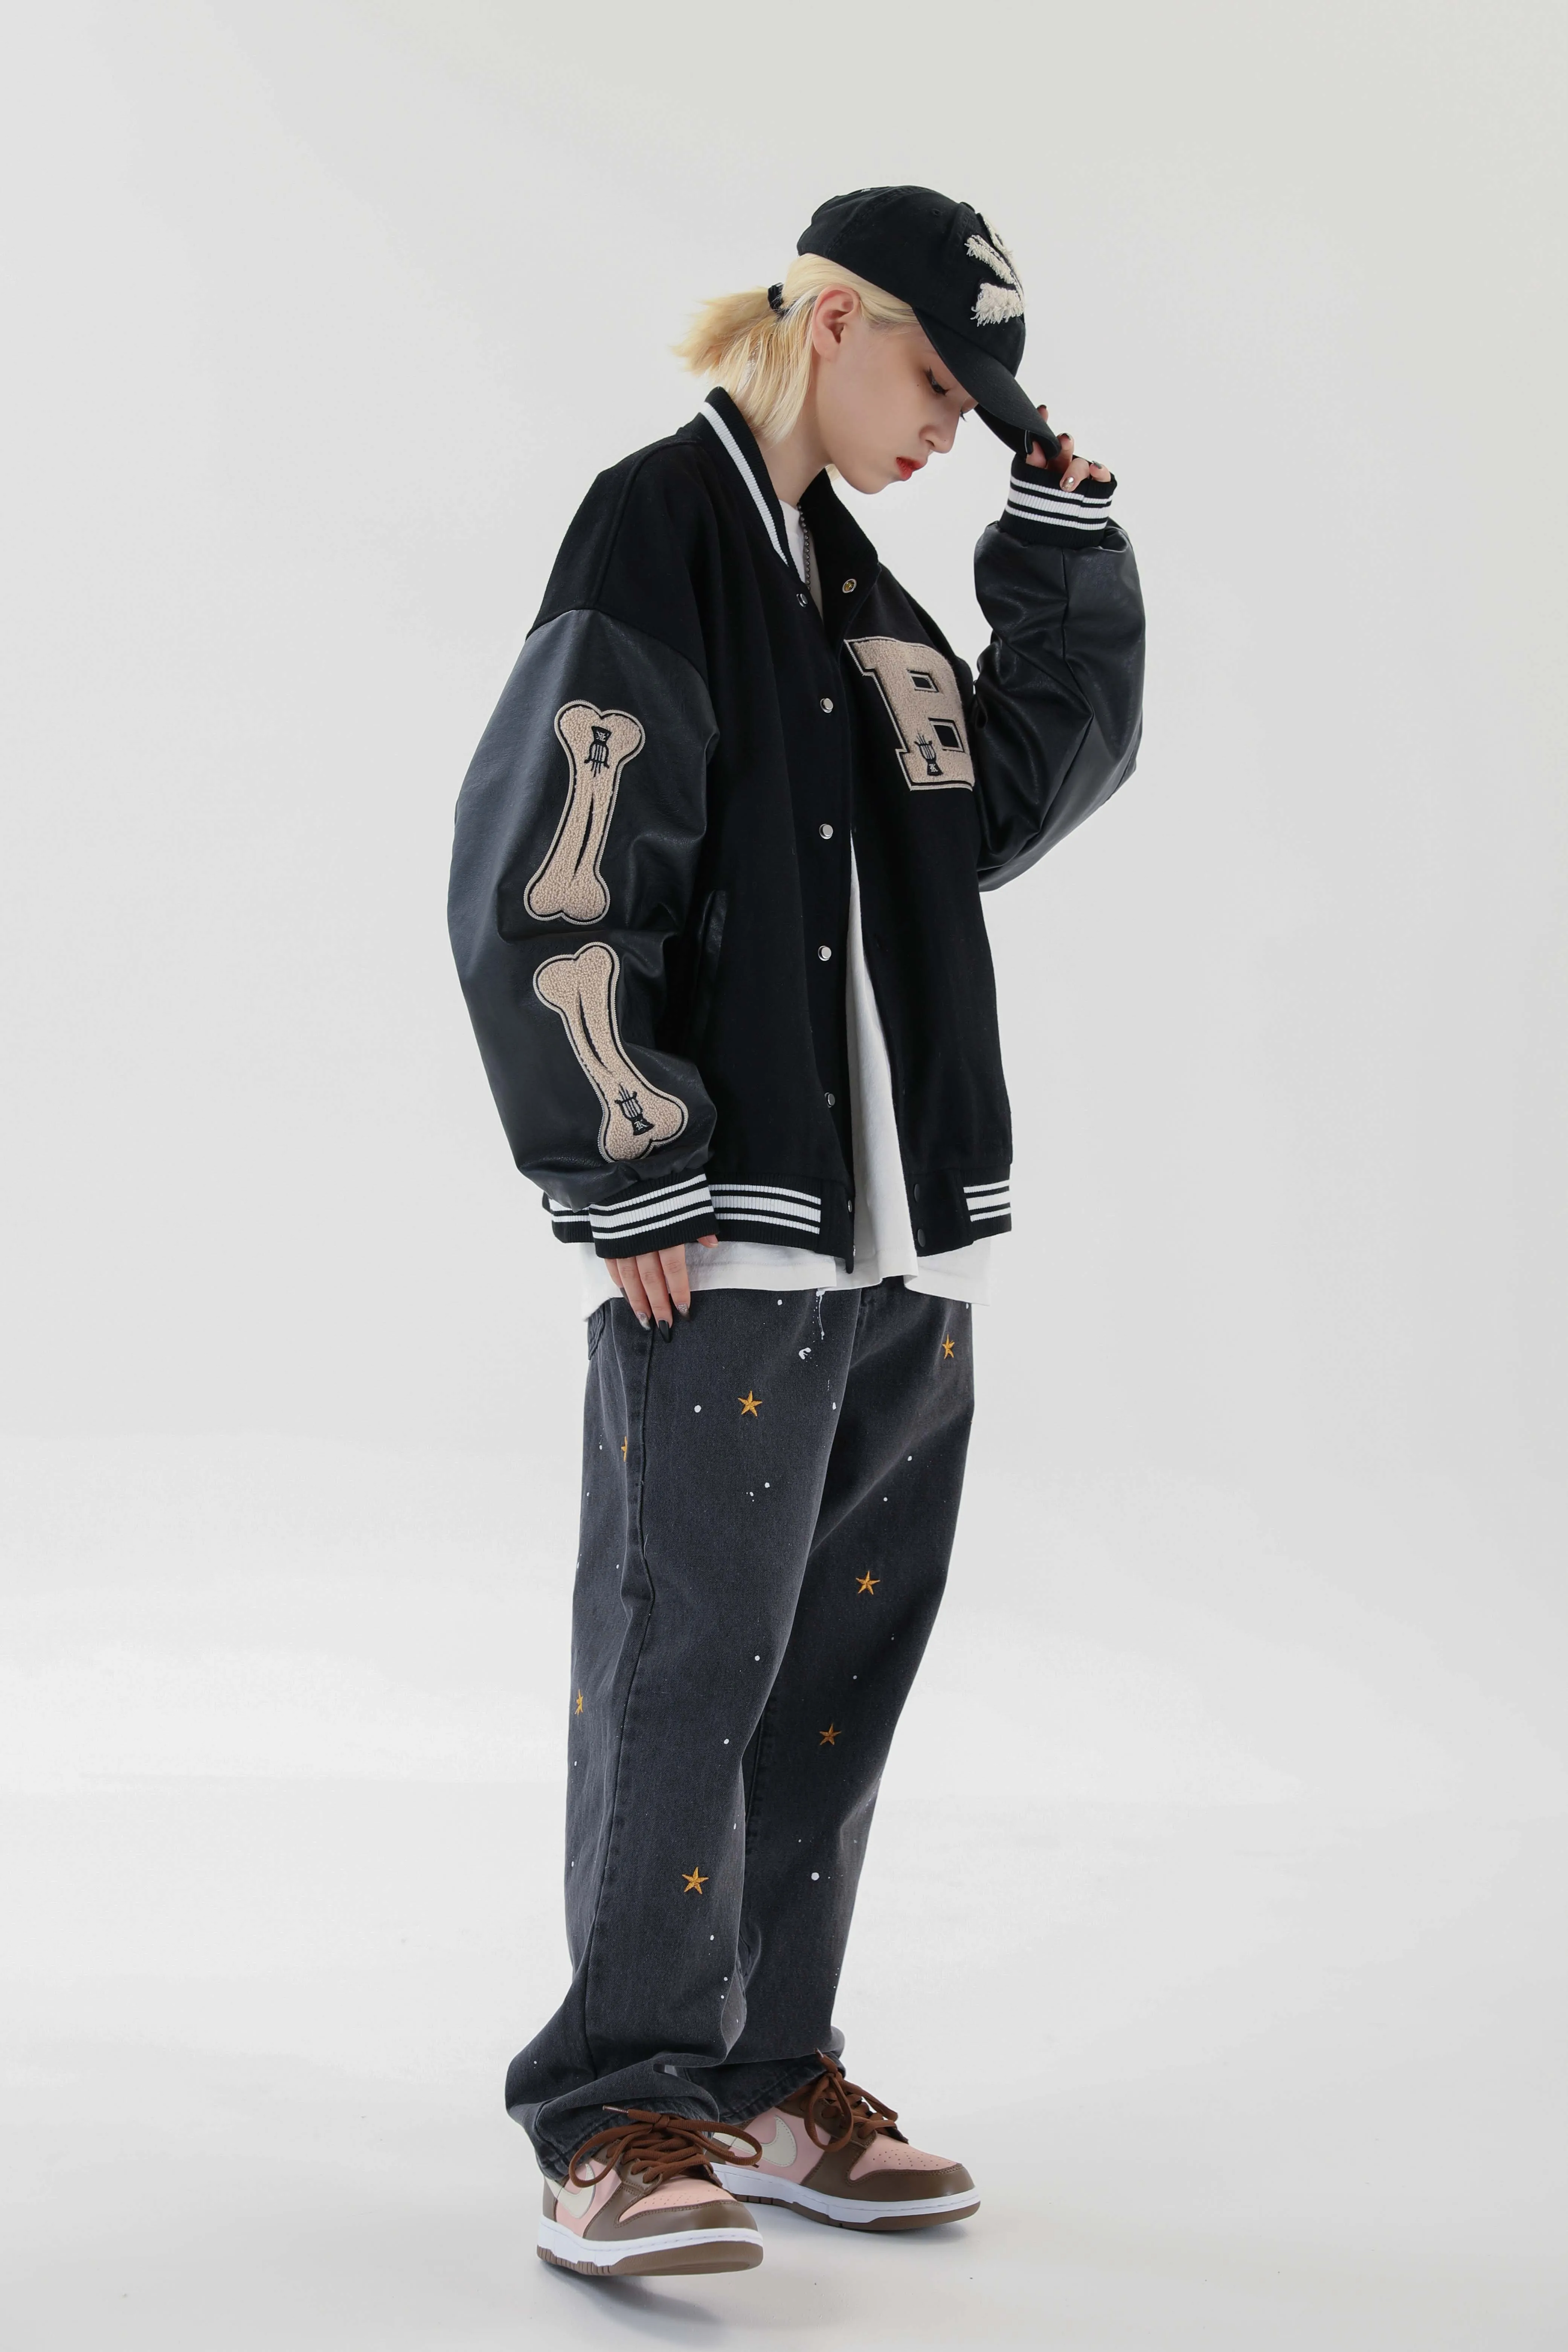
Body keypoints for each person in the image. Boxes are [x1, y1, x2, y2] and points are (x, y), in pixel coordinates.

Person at [448, 184, 1145, 2280]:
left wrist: (1061, 552)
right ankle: (618, 2112)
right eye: (934, 377)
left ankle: (765, 2074)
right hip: (734, 1230)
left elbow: (995, 805)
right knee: (691, 1671)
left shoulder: (861, 588)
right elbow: (556, 851)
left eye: (975, 402)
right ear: (830, 320)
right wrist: (624, 1154)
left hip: (901, 1240)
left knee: (835, 1676)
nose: (948, 425)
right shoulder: (657, 528)